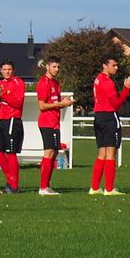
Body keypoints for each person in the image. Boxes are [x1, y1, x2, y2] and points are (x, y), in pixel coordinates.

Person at [89, 56, 130, 197]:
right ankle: (109, 189)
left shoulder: (99, 79)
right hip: (109, 118)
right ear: (104, 65)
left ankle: (95, 188)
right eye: (114, 65)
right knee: (111, 154)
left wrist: (126, 90)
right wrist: (126, 89)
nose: (117, 67)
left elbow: (111, 98)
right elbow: (116, 104)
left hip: (99, 117)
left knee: (102, 154)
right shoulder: (107, 82)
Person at [35, 58, 74, 195]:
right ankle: (43, 187)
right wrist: (60, 104)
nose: (57, 69)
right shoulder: (43, 83)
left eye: (58, 67)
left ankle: (47, 185)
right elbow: (42, 106)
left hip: (55, 123)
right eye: (54, 66)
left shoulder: (56, 83)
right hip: (46, 122)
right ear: (47, 67)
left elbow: (55, 104)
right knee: (49, 152)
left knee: (54, 153)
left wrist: (64, 103)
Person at [0, 61, 27, 193]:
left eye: (9, 69)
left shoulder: (18, 83)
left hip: (13, 119)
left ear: (13, 70)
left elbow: (18, 103)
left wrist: (3, 94)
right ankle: (10, 181)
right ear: (1, 70)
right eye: (5, 69)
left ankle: (14, 186)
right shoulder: (1, 83)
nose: (7, 72)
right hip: (2, 119)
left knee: (11, 153)